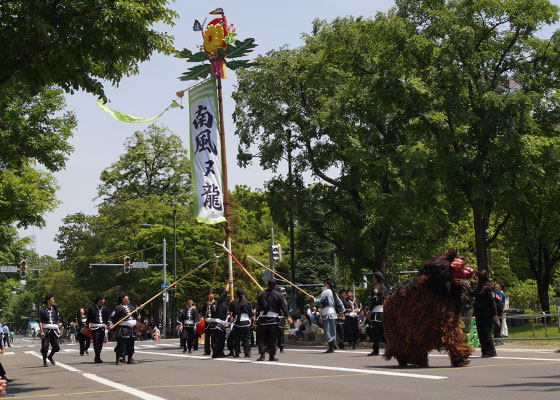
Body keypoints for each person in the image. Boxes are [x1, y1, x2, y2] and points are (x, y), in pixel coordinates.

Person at [256, 278, 292, 361]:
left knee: (262, 338)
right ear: (275, 286)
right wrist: (288, 317)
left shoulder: (261, 294)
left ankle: (262, 355)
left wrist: (256, 316)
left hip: (262, 319)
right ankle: (271, 356)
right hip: (273, 319)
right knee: (272, 338)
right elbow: (284, 307)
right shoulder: (279, 295)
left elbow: (258, 307)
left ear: (267, 285)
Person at [109, 292, 144, 365]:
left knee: (131, 344)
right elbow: (111, 317)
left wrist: (140, 309)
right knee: (121, 344)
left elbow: (136, 314)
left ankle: (130, 359)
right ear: (123, 299)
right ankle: (118, 360)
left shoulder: (131, 306)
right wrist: (111, 324)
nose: (128, 297)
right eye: (126, 296)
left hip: (132, 328)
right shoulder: (118, 308)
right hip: (123, 328)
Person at [473, 270, 499, 358]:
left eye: (477, 277)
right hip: (479, 314)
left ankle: (491, 351)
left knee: (486, 333)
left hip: (487, 314)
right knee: (481, 333)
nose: (476, 278)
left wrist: (495, 314)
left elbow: (492, 302)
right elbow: (472, 293)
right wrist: (466, 285)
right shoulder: (479, 288)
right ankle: (485, 351)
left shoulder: (489, 287)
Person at [314, 278, 344, 353]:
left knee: (328, 330)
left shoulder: (325, 292)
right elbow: (339, 303)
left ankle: (331, 346)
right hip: (333, 313)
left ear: (327, 284)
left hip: (328, 313)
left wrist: (313, 300)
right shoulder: (334, 293)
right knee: (332, 330)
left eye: (324, 283)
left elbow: (319, 301)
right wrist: (341, 312)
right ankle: (333, 344)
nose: (323, 285)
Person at [38, 294, 61, 367]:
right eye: (52, 299)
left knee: (57, 347)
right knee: (45, 347)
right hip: (46, 329)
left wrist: (59, 329)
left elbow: (57, 320)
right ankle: (44, 361)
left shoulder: (55, 309)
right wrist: (41, 331)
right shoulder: (42, 310)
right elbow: (40, 321)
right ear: (48, 300)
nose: (53, 300)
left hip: (54, 329)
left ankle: (50, 356)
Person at [367, 271, 388, 356]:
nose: (373, 279)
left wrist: (369, 311)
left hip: (377, 311)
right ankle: (392, 346)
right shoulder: (384, 288)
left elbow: (374, 300)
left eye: (373, 277)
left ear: (376, 278)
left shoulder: (376, 288)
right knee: (383, 332)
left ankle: (376, 350)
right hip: (383, 311)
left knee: (376, 332)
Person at [209, 280, 231, 358]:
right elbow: (225, 292)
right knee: (216, 340)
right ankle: (215, 353)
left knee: (222, 339)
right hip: (217, 324)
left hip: (222, 324)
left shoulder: (225, 304)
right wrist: (228, 283)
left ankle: (220, 352)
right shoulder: (219, 301)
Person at [229, 288, 254, 358]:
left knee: (236, 338)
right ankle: (247, 352)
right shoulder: (248, 303)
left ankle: (237, 352)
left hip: (237, 323)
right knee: (247, 338)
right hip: (246, 322)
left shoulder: (233, 303)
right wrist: (253, 323)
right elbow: (251, 314)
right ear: (243, 294)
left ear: (236, 294)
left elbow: (231, 313)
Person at [87, 293, 109, 363]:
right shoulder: (92, 308)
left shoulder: (104, 308)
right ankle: (97, 356)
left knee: (101, 342)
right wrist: (87, 327)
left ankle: (98, 355)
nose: (104, 300)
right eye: (103, 299)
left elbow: (107, 318)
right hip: (94, 327)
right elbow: (89, 319)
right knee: (96, 342)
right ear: (99, 300)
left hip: (102, 327)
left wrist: (108, 325)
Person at [202, 291, 216, 356]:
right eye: (209, 294)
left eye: (211, 294)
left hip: (213, 322)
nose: (210, 295)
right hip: (207, 322)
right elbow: (203, 313)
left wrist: (211, 305)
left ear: (214, 295)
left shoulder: (216, 303)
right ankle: (207, 351)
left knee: (213, 337)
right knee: (206, 338)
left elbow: (216, 311)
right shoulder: (205, 304)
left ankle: (214, 350)